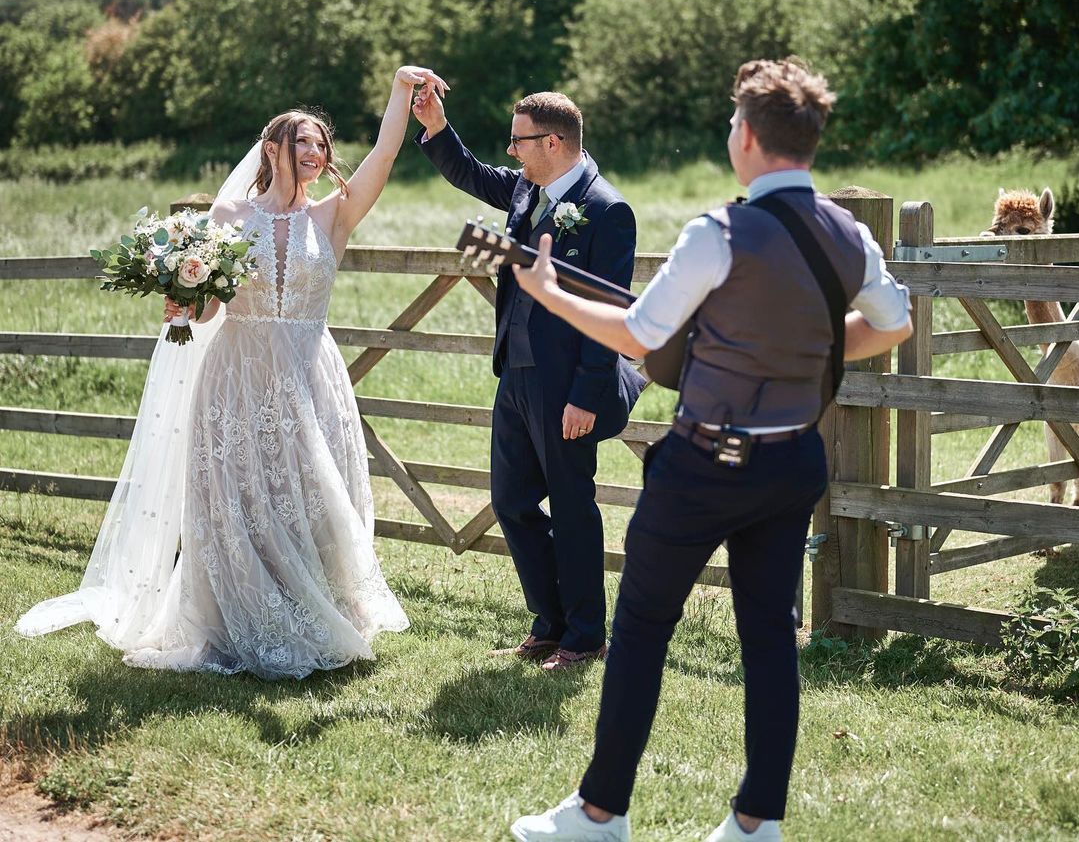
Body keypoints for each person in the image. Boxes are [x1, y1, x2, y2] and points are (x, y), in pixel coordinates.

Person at [508, 59, 913, 840]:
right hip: (793, 462)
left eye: (733, 122)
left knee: (642, 628)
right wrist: (816, 351)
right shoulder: (847, 231)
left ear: (752, 138)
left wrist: (549, 294)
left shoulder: (718, 232)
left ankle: (599, 816)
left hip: (703, 465)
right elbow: (892, 324)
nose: (730, 133)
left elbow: (639, 335)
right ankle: (756, 826)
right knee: (769, 639)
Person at [17, 65, 448, 680]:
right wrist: (183, 298)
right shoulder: (228, 217)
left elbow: (384, 151)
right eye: (300, 140)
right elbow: (212, 306)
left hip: (308, 373)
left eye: (320, 143)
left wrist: (401, 90)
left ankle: (321, 605)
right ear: (271, 149)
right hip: (237, 374)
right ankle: (240, 614)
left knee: (313, 493)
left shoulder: (335, 215)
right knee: (243, 496)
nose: (313, 151)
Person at [412, 87, 646, 671]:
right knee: (511, 501)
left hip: (567, 383)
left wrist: (586, 396)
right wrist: (437, 125)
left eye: (518, 140)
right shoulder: (527, 187)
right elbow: (470, 173)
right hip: (514, 373)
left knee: (572, 507)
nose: (511, 151)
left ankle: (587, 635)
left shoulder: (608, 211)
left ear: (553, 141)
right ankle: (549, 623)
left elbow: (609, 308)